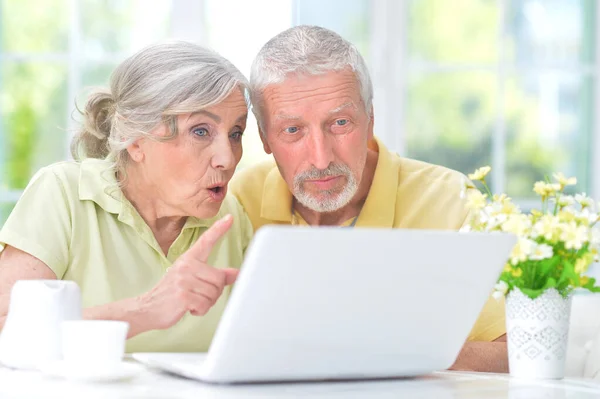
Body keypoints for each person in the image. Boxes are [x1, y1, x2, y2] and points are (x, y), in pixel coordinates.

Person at [230, 25, 507, 373]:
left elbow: (516, 352)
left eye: (341, 122)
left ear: (370, 119)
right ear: (264, 137)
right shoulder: (239, 200)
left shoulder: (452, 201)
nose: (321, 158)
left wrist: (376, 352)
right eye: (292, 130)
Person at [0, 42, 253, 353]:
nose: (227, 159)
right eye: (200, 131)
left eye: (236, 133)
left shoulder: (230, 216)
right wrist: (145, 311)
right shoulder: (64, 193)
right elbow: (5, 330)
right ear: (135, 140)